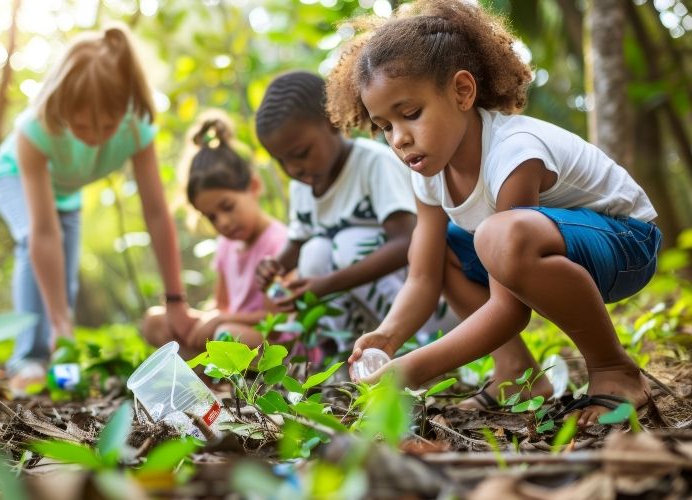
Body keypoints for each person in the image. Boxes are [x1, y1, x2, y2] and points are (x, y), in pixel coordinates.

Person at [327, 0, 661, 427]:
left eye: (410, 114)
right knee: (444, 247)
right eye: (385, 126)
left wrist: (411, 370)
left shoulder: (513, 154)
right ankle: (516, 375)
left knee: (498, 236)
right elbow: (423, 277)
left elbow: (509, 309)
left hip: (628, 243)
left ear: (462, 92)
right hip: (553, 245)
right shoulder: (428, 173)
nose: (399, 138)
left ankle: (613, 369)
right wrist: (389, 336)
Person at [0, 25, 196, 396]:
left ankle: (57, 355)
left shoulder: (136, 127)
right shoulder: (36, 129)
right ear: (63, 105)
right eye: (82, 125)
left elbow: (157, 213)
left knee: (62, 276)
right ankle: (29, 359)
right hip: (13, 177)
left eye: (107, 125)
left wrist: (175, 300)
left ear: (125, 109)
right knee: (29, 242)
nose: (96, 136)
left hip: (66, 193)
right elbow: (42, 232)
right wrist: (60, 321)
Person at [254, 71, 458, 351]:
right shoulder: (302, 186)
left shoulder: (373, 164)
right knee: (314, 252)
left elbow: (407, 241)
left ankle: (411, 345)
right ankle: (347, 354)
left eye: (301, 153)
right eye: (281, 161)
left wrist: (328, 283)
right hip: (367, 309)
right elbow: (298, 243)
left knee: (348, 245)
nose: (293, 169)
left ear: (333, 122)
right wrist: (274, 266)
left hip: (428, 305)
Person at [142, 115, 287, 351]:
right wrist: (203, 320)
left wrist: (220, 319)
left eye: (227, 207)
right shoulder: (226, 245)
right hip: (229, 332)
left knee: (225, 335)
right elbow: (221, 304)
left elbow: (280, 319)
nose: (223, 222)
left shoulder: (278, 244)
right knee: (156, 321)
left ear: (253, 186)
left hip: (272, 343)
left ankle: (212, 377)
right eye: (211, 217)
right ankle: (203, 380)